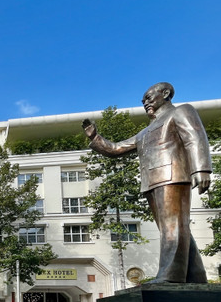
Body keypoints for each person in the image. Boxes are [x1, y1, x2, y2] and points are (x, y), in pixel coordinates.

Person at [83, 82, 212, 283]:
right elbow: (117, 149)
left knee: (173, 227)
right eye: (143, 100)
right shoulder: (144, 132)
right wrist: (95, 138)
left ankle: (170, 276)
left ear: (166, 94)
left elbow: (195, 138)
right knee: (174, 228)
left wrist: (201, 168)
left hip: (173, 176)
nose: (145, 102)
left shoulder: (181, 112)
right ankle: (195, 275)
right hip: (152, 182)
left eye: (149, 97)